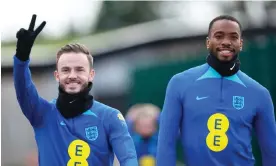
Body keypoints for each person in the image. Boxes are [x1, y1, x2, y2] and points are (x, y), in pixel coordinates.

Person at [13, 14, 138, 166]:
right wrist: (21, 57)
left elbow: (128, 159)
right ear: (57, 75)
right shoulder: (41, 113)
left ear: (91, 74)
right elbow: (22, 87)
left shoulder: (109, 116)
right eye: (66, 70)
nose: (72, 75)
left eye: (79, 70)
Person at [156, 15, 276, 166]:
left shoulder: (260, 93)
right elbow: (166, 143)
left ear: (241, 43)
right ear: (208, 42)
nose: (226, 42)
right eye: (219, 36)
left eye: (233, 37)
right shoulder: (179, 83)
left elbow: (271, 151)